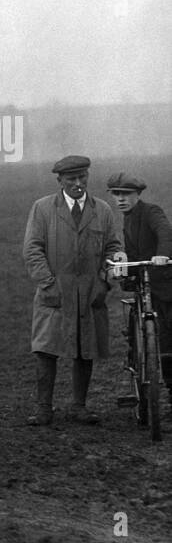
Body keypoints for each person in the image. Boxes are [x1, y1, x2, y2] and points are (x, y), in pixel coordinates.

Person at [22, 155, 125, 426]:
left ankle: (79, 406)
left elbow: (113, 248)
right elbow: (32, 249)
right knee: (46, 349)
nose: (78, 183)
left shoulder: (102, 210)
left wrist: (104, 282)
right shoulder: (43, 208)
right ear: (60, 181)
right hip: (54, 291)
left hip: (90, 293)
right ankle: (44, 408)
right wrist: (47, 283)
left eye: (82, 177)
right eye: (71, 179)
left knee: (84, 347)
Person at [105, 171, 172, 411]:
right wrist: (120, 269)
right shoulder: (128, 220)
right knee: (159, 340)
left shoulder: (151, 212)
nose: (121, 199)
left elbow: (165, 233)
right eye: (116, 194)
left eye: (126, 194)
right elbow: (133, 254)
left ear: (138, 194)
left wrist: (162, 255)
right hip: (147, 286)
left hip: (166, 285)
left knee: (169, 337)